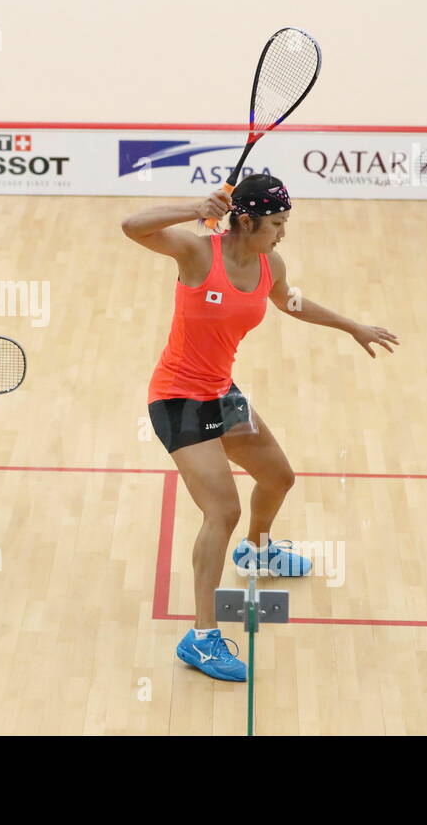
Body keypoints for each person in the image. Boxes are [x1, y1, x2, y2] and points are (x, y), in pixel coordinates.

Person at [121, 174, 398, 680]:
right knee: (221, 510)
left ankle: (258, 551)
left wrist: (351, 325)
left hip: (222, 394)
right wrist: (193, 206)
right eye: (276, 223)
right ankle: (201, 638)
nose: (282, 233)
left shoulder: (270, 263)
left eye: (285, 223)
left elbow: (289, 301)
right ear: (245, 220)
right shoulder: (197, 254)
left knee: (278, 478)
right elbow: (132, 226)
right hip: (179, 399)